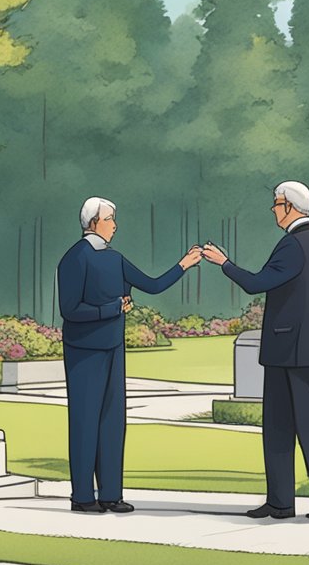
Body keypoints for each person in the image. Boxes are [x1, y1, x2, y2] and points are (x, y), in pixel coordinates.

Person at [201, 181, 309, 520]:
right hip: (305, 350)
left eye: (276, 203)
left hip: (294, 350)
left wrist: (225, 263)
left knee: (304, 429)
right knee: (288, 427)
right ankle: (282, 501)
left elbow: (256, 283)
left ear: (290, 206)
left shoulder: (294, 245)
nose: (272, 209)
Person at [57, 197, 202, 513]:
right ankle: (82, 497)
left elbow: (151, 285)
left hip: (112, 347)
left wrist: (183, 264)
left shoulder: (115, 258)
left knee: (112, 422)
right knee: (84, 423)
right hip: (84, 351)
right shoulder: (74, 258)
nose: (115, 225)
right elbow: (70, 310)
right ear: (94, 222)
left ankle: (111, 494)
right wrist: (111, 308)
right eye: (110, 219)